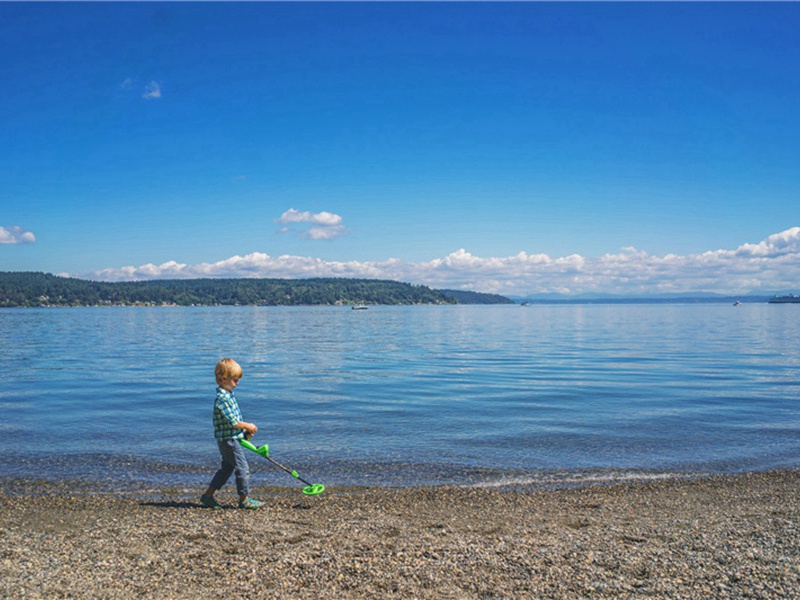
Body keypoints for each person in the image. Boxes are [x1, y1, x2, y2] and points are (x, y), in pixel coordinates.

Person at [200, 358, 264, 510]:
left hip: (231, 438)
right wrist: (247, 425)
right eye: (235, 380)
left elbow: (233, 424)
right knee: (242, 468)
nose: (237, 383)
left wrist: (244, 433)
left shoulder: (228, 395)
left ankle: (208, 496)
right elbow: (233, 422)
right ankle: (244, 499)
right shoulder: (222, 398)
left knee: (227, 469)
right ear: (223, 379)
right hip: (228, 441)